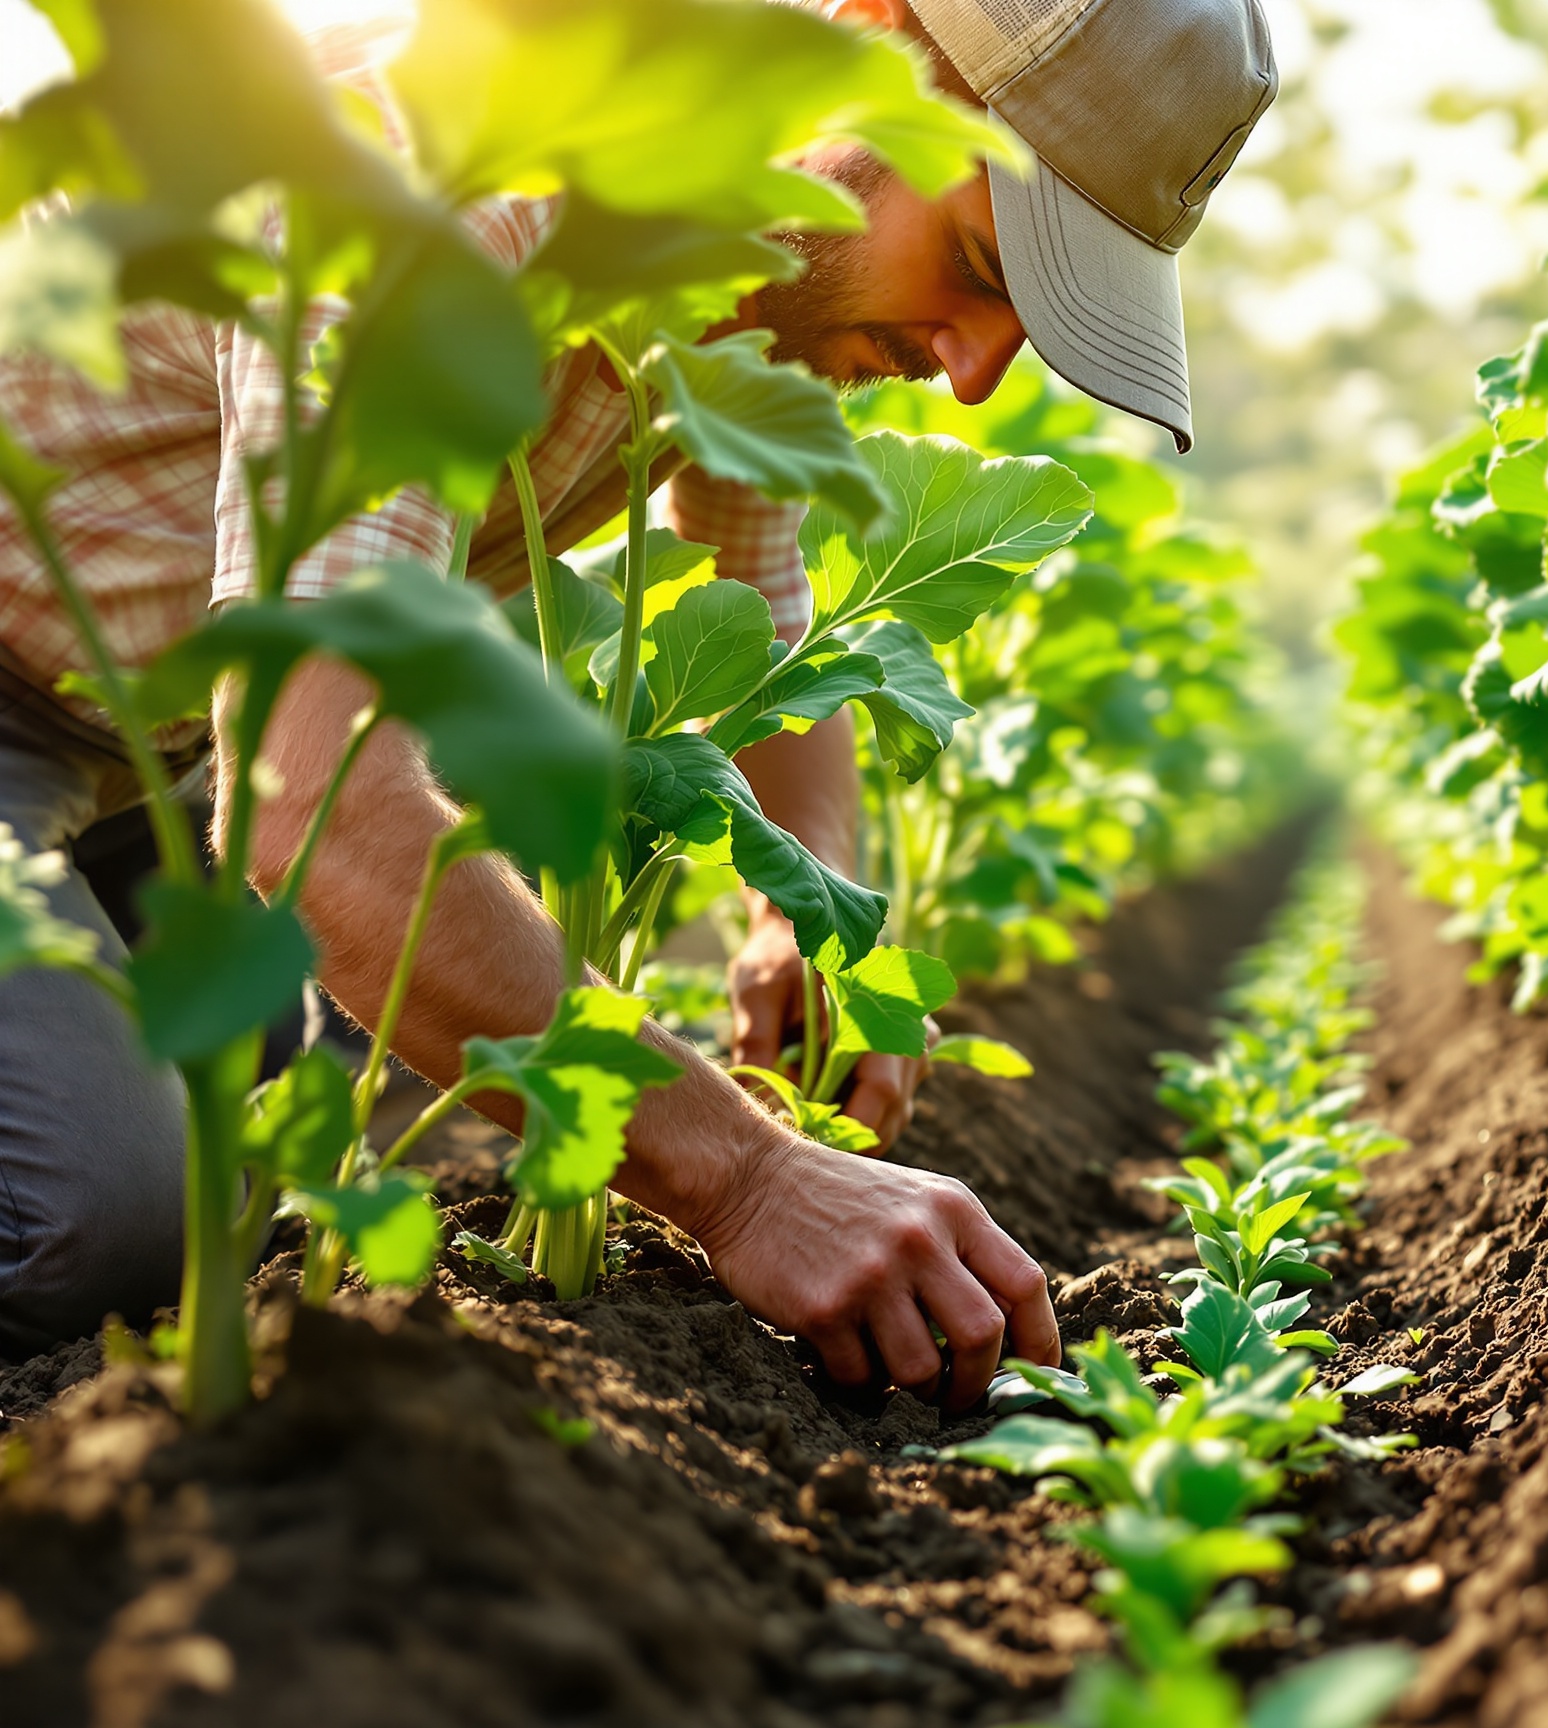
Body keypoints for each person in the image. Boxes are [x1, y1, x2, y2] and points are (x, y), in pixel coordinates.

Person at [0, 0, 1275, 1404]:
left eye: (1034, 321)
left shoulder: (748, 274)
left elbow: (767, 629)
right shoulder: (450, 200)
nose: (974, 372)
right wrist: (745, 1180)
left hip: (135, 746)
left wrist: (809, 913)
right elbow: (313, 810)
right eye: (980, 262)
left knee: (367, 1075)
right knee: (97, 1217)